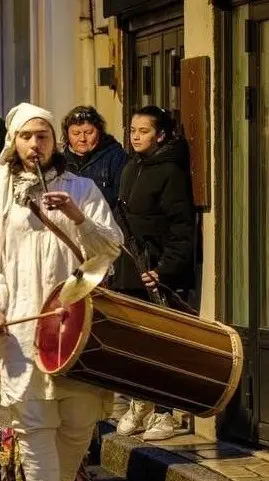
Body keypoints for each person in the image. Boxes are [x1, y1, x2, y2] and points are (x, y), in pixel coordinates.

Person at [0, 103, 122, 481]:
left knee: (78, 420)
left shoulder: (83, 188)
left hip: (75, 324)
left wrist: (79, 216)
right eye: (27, 136)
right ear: (14, 142)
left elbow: (110, 250)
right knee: (33, 424)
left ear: (55, 142)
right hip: (21, 327)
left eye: (43, 136)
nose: (35, 144)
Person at [113, 105, 195, 443]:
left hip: (159, 272)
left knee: (163, 344)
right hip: (131, 267)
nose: (135, 136)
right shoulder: (131, 167)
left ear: (160, 135)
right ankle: (142, 401)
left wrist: (163, 270)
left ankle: (165, 412)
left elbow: (182, 229)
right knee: (137, 343)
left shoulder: (171, 171)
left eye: (143, 131)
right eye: (132, 130)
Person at [62, 106, 127, 209]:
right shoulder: (59, 161)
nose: (82, 139)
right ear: (67, 134)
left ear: (99, 132)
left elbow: (121, 202)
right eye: (76, 133)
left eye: (88, 133)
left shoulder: (116, 157)